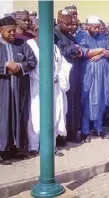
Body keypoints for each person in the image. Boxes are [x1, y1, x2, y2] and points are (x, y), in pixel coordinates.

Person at [27, 22, 72, 157]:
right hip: (37, 86)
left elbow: (64, 65)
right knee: (36, 115)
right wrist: (44, 78)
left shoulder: (54, 47)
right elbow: (29, 66)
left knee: (54, 115)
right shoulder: (29, 45)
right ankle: (33, 146)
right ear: (35, 31)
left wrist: (58, 77)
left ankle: (51, 146)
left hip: (54, 86)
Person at [0, 16, 37, 165]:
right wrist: (5, 66)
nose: (13, 34)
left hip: (20, 89)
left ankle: (16, 148)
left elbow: (32, 61)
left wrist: (20, 67)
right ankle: (2, 151)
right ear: (1, 31)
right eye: (9, 31)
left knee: (19, 116)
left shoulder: (22, 44)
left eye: (14, 30)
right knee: (3, 118)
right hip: (3, 89)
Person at [75, 16, 109, 143]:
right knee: (88, 102)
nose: (97, 30)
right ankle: (85, 132)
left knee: (101, 101)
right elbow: (85, 52)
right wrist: (102, 50)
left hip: (103, 76)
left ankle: (99, 129)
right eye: (95, 27)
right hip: (89, 76)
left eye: (98, 27)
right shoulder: (81, 37)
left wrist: (103, 53)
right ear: (87, 26)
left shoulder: (103, 37)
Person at [54, 9, 83, 143]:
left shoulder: (70, 35)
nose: (71, 27)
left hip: (74, 72)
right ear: (60, 22)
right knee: (64, 105)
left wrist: (78, 51)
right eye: (68, 24)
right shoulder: (55, 34)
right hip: (63, 74)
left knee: (75, 103)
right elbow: (56, 53)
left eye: (72, 24)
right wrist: (71, 49)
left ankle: (73, 132)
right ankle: (61, 135)